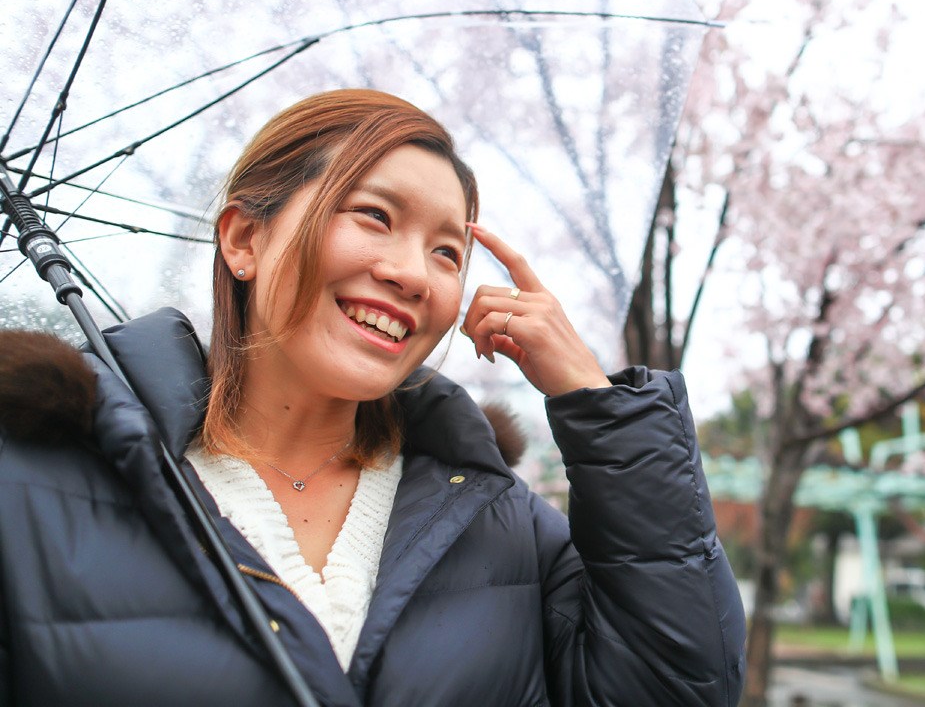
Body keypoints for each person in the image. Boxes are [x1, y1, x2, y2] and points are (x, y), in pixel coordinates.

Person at [0, 89, 745, 706]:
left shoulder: (500, 525)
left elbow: (676, 688)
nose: (414, 274)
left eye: (447, 252)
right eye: (374, 216)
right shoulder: (39, 486)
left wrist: (596, 404)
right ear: (244, 241)